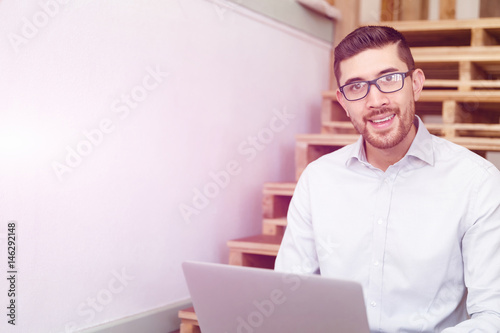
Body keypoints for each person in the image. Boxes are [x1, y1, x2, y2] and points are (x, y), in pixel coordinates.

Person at [274, 26, 500, 332]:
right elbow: (290, 293)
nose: (375, 100)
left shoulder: (477, 183)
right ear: (342, 100)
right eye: (356, 87)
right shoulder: (318, 180)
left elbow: (493, 314)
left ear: (416, 84)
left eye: (389, 79)